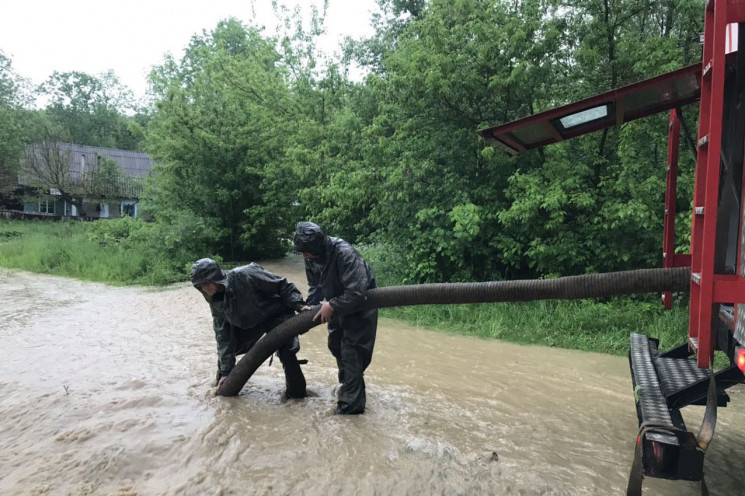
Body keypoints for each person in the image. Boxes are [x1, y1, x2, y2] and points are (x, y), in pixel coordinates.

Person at [189, 258, 307, 398]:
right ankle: (221, 388)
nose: (206, 287)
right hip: (250, 323)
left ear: (216, 277)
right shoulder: (214, 301)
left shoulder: (246, 274)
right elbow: (223, 337)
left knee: (287, 352)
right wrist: (226, 372)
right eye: (201, 285)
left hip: (276, 314)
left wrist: (299, 305)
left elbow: (282, 285)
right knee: (226, 353)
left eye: (208, 282)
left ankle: (296, 397)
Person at [293, 221, 378, 414]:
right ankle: (349, 387)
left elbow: (357, 292)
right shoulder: (311, 256)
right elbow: (316, 286)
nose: (304, 255)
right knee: (336, 345)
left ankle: (351, 408)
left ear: (317, 247)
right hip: (335, 306)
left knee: (352, 351)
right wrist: (309, 305)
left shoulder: (344, 253)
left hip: (359, 306)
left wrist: (332, 305)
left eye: (306, 251)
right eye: (302, 252)